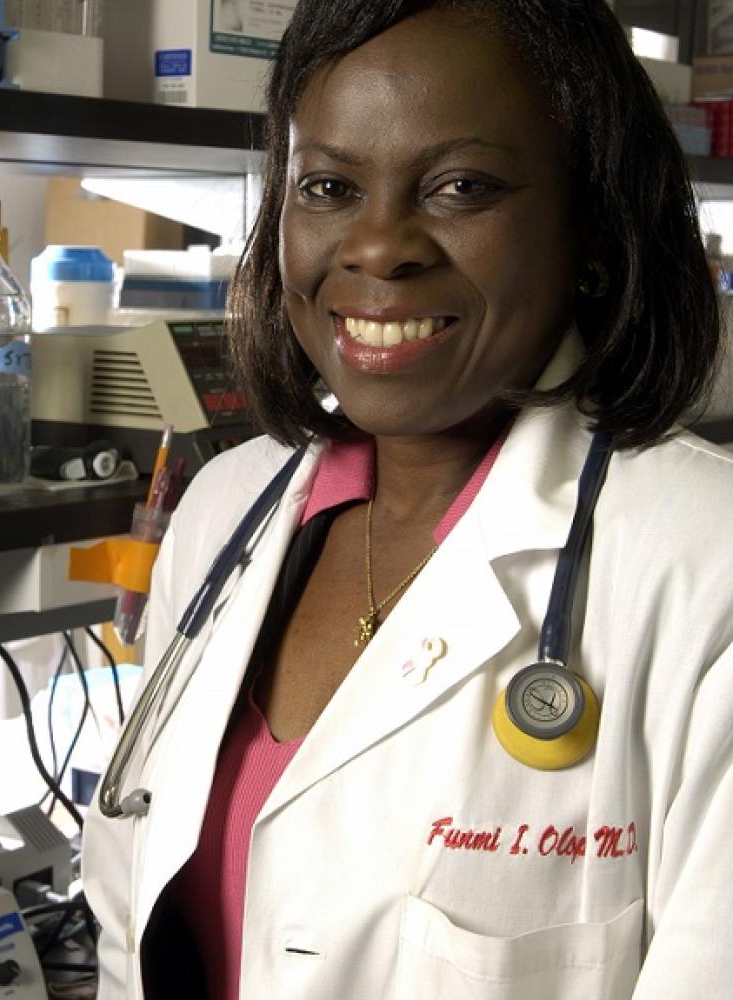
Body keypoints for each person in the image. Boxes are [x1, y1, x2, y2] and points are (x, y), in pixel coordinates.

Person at [82, 2, 733, 997]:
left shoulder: (703, 561)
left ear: (591, 228)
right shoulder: (224, 510)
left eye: (461, 187)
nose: (380, 246)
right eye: (330, 187)